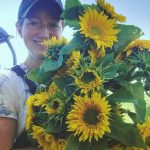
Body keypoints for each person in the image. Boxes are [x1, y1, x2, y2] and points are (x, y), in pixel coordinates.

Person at [0, 0, 64, 149]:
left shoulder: (76, 80)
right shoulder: (7, 82)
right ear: (19, 28)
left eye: (53, 24)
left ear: (62, 27)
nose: (45, 33)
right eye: (34, 23)